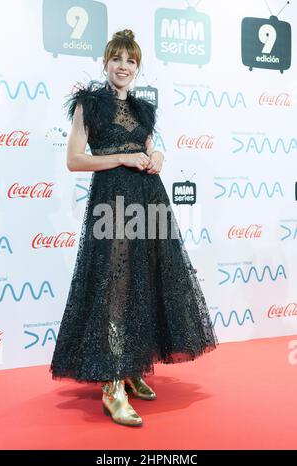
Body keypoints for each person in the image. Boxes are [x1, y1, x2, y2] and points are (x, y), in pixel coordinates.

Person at [50, 29, 218, 427]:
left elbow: (146, 148)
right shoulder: (88, 105)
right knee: (114, 287)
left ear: (137, 67)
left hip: (148, 198)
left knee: (142, 282)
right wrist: (122, 158)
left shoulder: (144, 110)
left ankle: (130, 366)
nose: (123, 67)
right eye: (117, 59)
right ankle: (111, 385)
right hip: (112, 201)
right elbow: (75, 160)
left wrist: (155, 154)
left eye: (131, 61)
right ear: (105, 62)